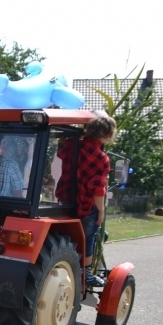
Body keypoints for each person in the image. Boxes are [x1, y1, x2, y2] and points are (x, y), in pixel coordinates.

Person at [55, 112, 117, 287]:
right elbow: (97, 189)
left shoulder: (70, 145)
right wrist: (101, 210)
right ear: (106, 135)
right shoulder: (101, 158)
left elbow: (60, 154)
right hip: (85, 203)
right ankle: (87, 274)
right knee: (88, 236)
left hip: (65, 197)